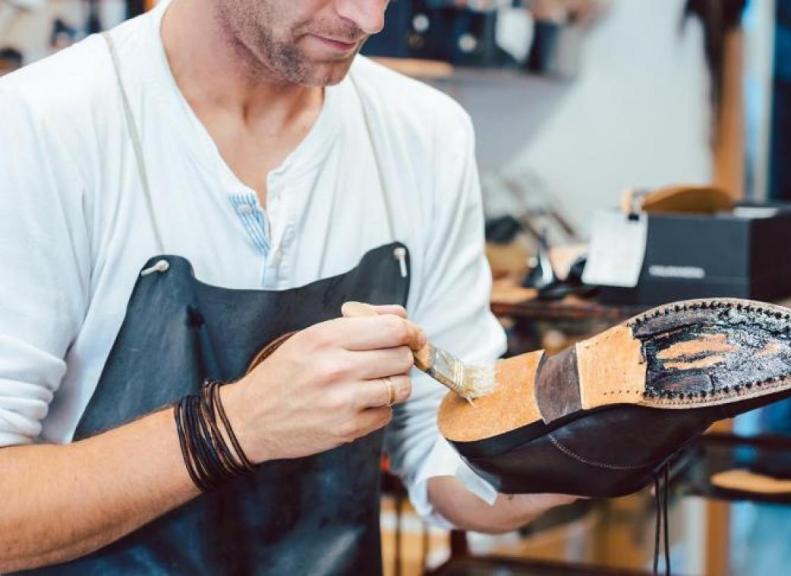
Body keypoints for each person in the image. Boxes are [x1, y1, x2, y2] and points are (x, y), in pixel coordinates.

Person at [0, 0, 576, 573]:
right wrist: (234, 427)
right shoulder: (41, 127)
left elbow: (440, 439)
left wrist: (572, 457)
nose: (370, 20)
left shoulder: (425, 134)